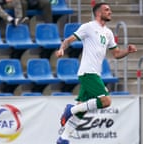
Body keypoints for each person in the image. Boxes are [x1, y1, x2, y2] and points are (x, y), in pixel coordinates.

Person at [55, 2, 137, 144]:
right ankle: (71, 109)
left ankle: (64, 138)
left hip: (95, 73)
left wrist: (127, 51)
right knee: (106, 101)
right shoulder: (88, 27)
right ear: (98, 13)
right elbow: (68, 40)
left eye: (110, 9)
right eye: (106, 10)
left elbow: (116, 54)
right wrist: (62, 49)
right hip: (88, 72)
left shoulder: (109, 33)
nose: (110, 12)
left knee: (82, 108)